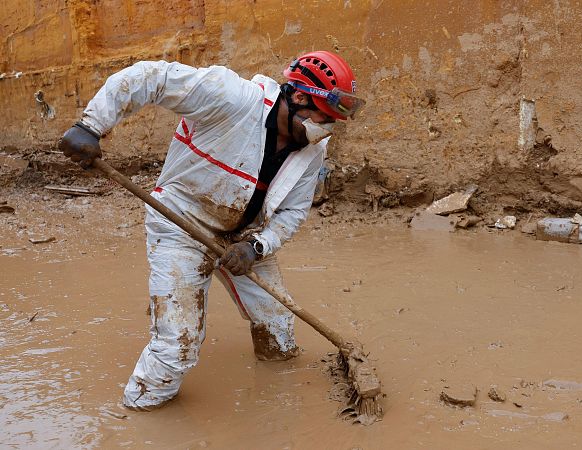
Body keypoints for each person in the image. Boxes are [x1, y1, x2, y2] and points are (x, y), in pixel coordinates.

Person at [58, 51, 365, 411]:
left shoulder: (312, 151)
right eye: (324, 118)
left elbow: (294, 212)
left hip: (245, 238)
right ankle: (140, 411)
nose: (325, 130)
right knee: (177, 347)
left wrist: (257, 247)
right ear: (298, 97)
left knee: (279, 331)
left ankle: (277, 398)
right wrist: (91, 125)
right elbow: (150, 78)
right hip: (181, 225)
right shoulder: (231, 97)